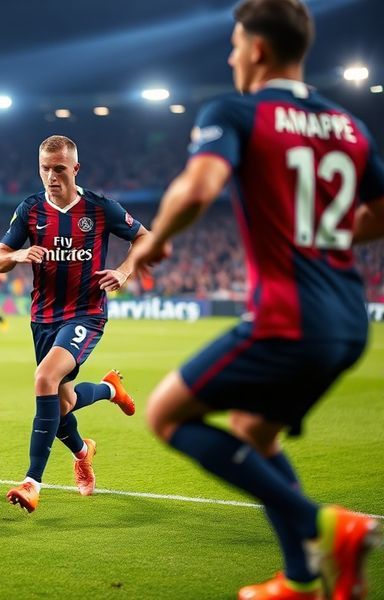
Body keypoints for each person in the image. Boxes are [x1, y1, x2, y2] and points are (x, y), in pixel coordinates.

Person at [131, 1, 384, 598]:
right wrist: (323, 235)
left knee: (166, 414)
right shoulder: (350, 126)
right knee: (253, 431)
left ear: (258, 49)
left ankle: (324, 525)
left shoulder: (236, 110)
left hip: (288, 317)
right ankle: (299, 580)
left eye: (235, 46)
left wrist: (154, 242)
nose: (231, 58)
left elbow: (200, 188)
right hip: (349, 320)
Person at [0, 135, 151, 512]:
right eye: (45, 169)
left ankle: (32, 482)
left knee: (45, 379)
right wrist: (18, 255)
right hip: (43, 318)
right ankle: (95, 422)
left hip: (85, 313)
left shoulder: (99, 207)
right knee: (62, 405)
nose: (51, 176)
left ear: (75, 169)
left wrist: (124, 271)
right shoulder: (30, 210)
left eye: (59, 169)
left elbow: (146, 238)